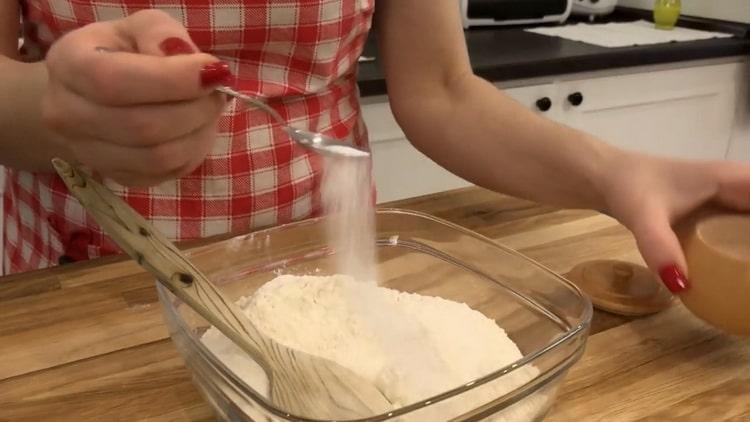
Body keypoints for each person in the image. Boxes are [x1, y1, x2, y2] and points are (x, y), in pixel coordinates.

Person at [1, 2, 748, 293]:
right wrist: (61, 106)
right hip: (90, 279)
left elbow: (444, 91)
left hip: (324, 262)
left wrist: (616, 172)